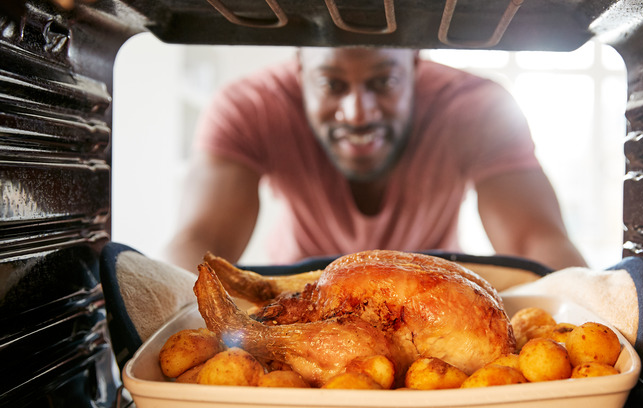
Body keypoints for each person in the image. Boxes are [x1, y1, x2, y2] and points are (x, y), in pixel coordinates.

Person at [162, 46, 587, 272]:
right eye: (331, 84)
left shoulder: (477, 108)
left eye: (384, 81)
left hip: (432, 306)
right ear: (299, 69)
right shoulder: (250, 106)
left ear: (416, 64)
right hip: (299, 302)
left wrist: (591, 318)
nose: (358, 113)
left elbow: (535, 242)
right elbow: (201, 241)